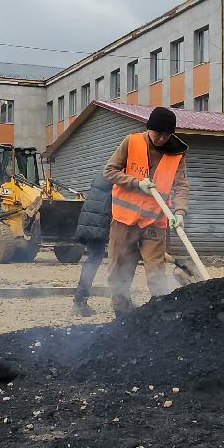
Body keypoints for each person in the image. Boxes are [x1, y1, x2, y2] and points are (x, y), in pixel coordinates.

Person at [103, 106, 188, 313]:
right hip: (125, 221)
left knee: (156, 271)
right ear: (148, 128)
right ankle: (122, 314)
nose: (161, 139)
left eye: (166, 135)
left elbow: (181, 186)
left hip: (155, 222)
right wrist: (135, 182)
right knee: (119, 269)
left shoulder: (176, 154)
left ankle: (159, 314)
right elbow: (109, 171)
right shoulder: (131, 142)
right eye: (157, 133)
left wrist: (179, 212)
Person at [72, 174, 113, 316]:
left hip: (90, 220)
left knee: (92, 259)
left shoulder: (101, 179)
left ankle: (80, 301)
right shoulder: (117, 178)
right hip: (98, 223)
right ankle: (79, 301)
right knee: (95, 260)